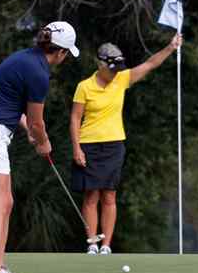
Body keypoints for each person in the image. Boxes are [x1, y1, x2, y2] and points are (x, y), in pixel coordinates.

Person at [0, 21, 80, 273]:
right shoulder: (39, 72)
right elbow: (38, 123)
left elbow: (15, 106)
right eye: (65, 55)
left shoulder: (26, 58)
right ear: (60, 52)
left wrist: (28, 129)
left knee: (6, 202)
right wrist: (43, 143)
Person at [70, 33, 183, 255]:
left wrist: (171, 47)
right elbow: (75, 118)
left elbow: (150, 64)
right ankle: (92, 243)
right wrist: (76, 148)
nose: (115, 72)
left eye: (117, 68)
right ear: (100, 64)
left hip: (114, 144)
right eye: (111, 68)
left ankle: (106, 245)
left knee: (109, 194)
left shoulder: (121, 79)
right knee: (91, 195)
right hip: (89, 144)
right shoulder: (84, 87)